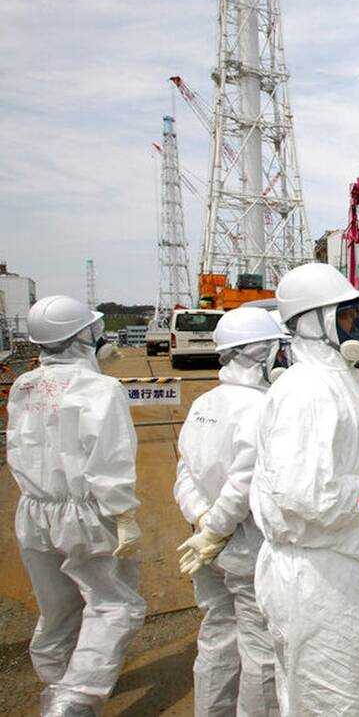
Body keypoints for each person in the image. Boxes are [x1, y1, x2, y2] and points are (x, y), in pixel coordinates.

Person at [251, 262, 359, 714]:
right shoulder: (308, 391)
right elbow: (304, 495)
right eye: (348, 316)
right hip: (315, 577)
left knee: (320, 697)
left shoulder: (336, 381)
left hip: (329, 563)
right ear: (313, 323)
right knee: (338, 702)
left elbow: (326, 471)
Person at [6, 295, 145, 716]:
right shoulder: (103, 390)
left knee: (58, 605)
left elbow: (41, 434)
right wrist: (124, 514)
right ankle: (73, 700)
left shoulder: (24, 384)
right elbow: (109, 460)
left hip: (34, 511)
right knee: (113, 604)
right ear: (82, 335)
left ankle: (54, 678)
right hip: (85, 514)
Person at [173, 306, 288, 715]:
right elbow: (245, 483)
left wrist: (202, 521)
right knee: (261, 649)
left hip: (205, 546)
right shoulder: (262, 407)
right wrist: (216, 528)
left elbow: (184, 472)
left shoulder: (204, 402)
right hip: (245, 545)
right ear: (262, 353)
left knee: (217, 636)